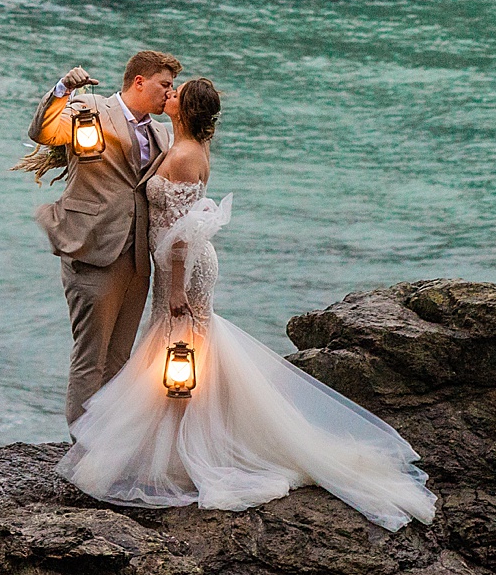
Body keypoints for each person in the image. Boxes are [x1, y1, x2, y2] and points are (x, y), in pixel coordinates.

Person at [56, 77, 436, 531]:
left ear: (185, 110)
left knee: (180, 352)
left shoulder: (183, 156)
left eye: (175, 94)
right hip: (176, 268)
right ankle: (177, 444)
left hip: (185, 271)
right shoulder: (180, 145)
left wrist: (176, 290)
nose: (168, 94)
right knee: (180, 353)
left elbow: (181, 236)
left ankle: (188, 451)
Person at [24, 50, 179, 426]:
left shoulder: (161, 133)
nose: (169, 93)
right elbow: (42, 132)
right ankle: (82, 449)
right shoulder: (90, 110)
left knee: (119, 360)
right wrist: (63, 89)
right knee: (90, 359)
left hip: (137, 259)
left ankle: (108, 446)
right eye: (164, 85)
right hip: (92, 250)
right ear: (139, 81)